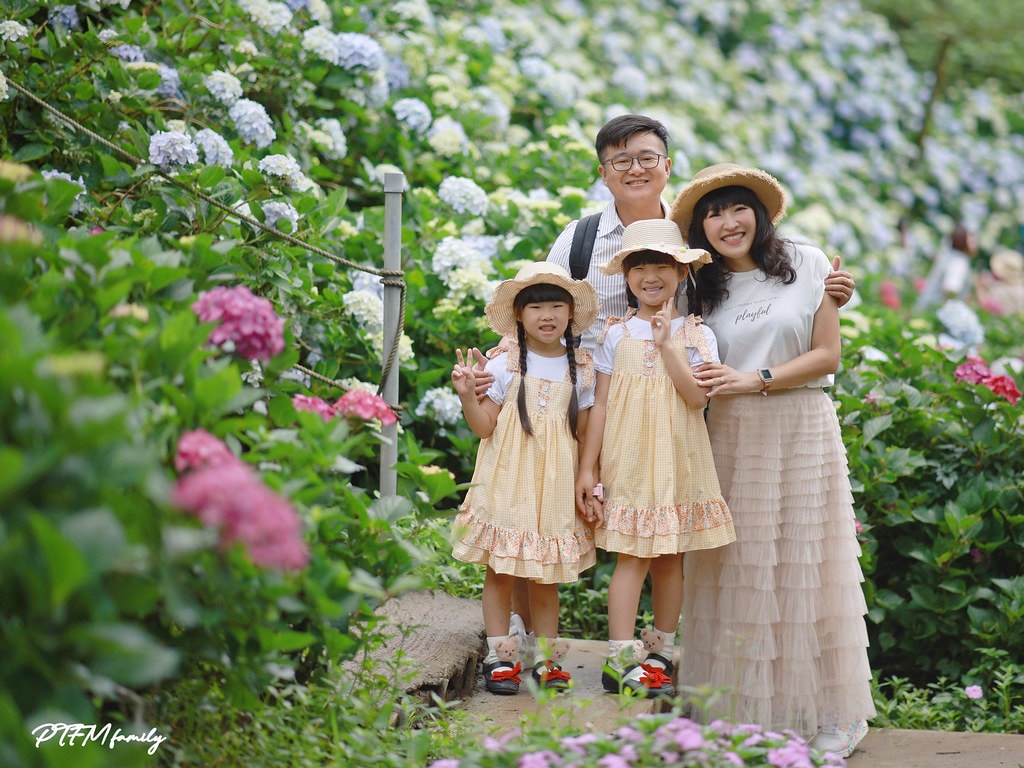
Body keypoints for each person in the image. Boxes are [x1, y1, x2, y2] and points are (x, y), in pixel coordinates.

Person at [669, 163, 875, 757]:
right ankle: (740, 711)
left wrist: (754, 378)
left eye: (738, 209)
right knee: (737, 566)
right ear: (701, 227)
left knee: (812, 565)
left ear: (760, 215)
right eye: (713, 213)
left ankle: (835, 714)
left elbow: (827, 356)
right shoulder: (698, 288)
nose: (727, 222)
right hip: (729, 435)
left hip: (803, 425)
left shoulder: (809, 264)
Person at [574, 218, 736, 698]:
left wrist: (668, 345)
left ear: (681, 273)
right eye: (639, 267)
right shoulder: (614, 334)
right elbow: (599, 404)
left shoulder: (696, 335)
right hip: (629, 459)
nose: (651, 276)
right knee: (632, 558)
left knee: (671, 559)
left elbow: (696, 399)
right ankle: (621, 655)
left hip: (678, 460)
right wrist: (589, 466)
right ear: (625, 276)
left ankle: (661, 651)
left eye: (662, 266)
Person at [450, 262, 600, 695]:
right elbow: (485, 427)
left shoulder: (581, 368)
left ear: (571, 312)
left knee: (545, 577)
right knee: (500, 572)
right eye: (536, 307)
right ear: (518, 314)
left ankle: (546, 660)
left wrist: (591, 478)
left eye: (557, 305)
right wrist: (466, 397)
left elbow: (587, 431)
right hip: (507, 483)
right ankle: (501, 657)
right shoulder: (504, 365)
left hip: (554, 486)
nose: (547, 315)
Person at [915, 222, 979, 311]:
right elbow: (950, 289)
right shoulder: (959, 262)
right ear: (962, 241)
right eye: (971, 240)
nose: (975, 243)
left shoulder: (949, 255)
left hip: (925, 304)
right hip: (936, 310)